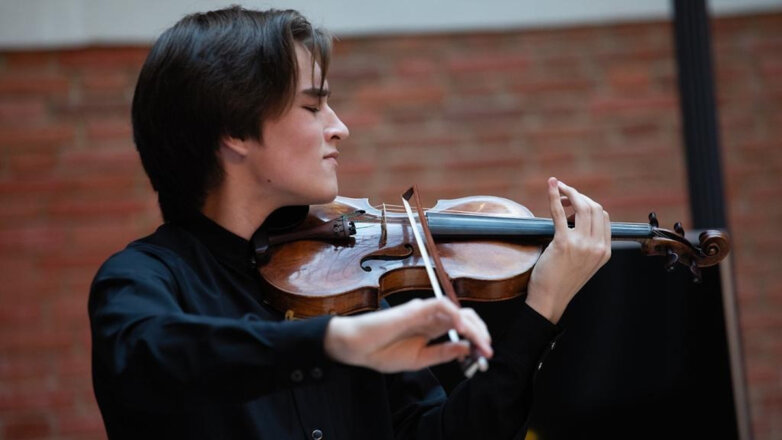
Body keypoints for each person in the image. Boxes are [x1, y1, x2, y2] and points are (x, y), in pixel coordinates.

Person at [88, 6, 611, 439]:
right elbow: (153, 359)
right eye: (313, 106)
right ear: (234, 131)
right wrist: (332, 342)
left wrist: (542, 307)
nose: (340, 127)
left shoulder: (341, 286)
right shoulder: (141, 282)